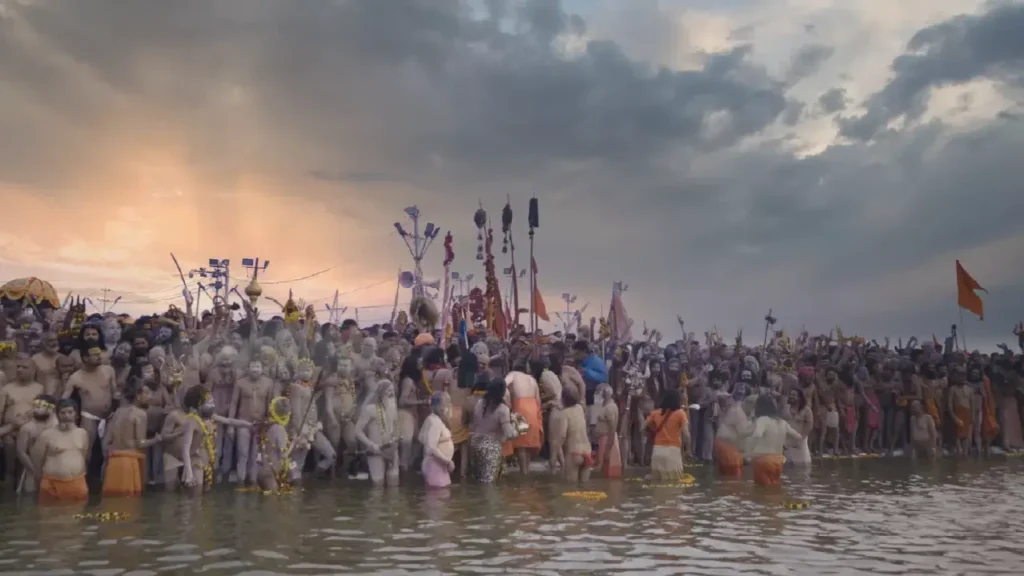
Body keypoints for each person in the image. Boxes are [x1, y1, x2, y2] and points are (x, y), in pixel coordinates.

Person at [102, 381, 163, 497]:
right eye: (147, 393)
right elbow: (141, 443)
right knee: (130, 506)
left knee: (111, 503)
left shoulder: (118, 412)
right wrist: (157, 439)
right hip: (129, 463)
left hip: (113, 461)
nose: (150, 397)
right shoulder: (140, 414)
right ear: (138, 396)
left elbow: (106, 442)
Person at [30, 399, 89, 503]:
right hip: (52, 485)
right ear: (57, 415)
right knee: (49, 517)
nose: (66, 416)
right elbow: (37, 463)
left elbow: (83, 456)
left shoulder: (82, 433)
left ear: (76, 414)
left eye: (70, 412)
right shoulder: (46, 434)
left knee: (76, 516)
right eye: (63, 413)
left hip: (77, 483)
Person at [469, 377, 517, 483]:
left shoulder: (479, 403)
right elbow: (510, 435)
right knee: (489, 485)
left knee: (478, 482)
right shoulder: (503, 409)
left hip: (475, 446)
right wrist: (513, 422)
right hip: (490, 449)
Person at [748, 395, 802, 486]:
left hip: (763, 460)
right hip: (778, 461)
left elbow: (757, 435)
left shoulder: (763, 420)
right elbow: (798, 437)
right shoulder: (782, 422)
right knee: (774, 490)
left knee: (761, 491)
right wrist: (786, 443)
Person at [14, 394, 57, 494]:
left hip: (52, 468)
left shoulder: (56, 425)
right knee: (29, 499)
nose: (36, 409)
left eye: (41, 407)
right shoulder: (27, 428)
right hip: (31, 470)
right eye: (35, 406)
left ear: (51, 409)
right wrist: (35, 471)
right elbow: (21, 452)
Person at [644, 388, 690, 481]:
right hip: (672, 453)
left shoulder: (655, 413)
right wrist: (688, 450)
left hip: (657, 453)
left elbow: (644, 429)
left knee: (656, 484)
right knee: (674, 485)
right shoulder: (680, 413)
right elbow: (686, 435)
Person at [419, 391, 455, 489]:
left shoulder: (433, 419)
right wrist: (448, 461)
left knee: (441, 496)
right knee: (438, 497)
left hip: (438, 466)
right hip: (435, 466)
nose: (448, 408)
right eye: (446, 405)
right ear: (438, 406)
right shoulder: (435, 423)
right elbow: (431, 448)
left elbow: (421, 438)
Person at [715, 391, 751, 477]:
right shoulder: (739, 412)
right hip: (727, 447)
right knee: (735, 478)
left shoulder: (735, 410)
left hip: (723, 445)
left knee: (725, 476)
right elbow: (745, 436)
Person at [560, 386, 592, 483]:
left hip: (574, 452)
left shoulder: (564, 413)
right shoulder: (580, 409)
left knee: (571, 488)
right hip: (587, 451)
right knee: (584, 488)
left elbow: (562, 435)